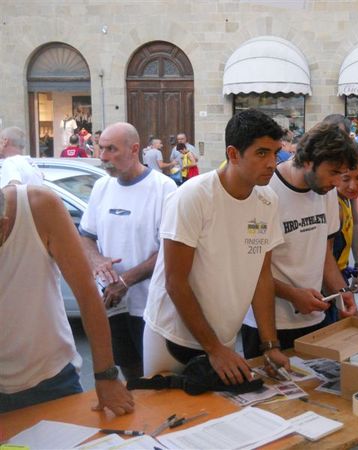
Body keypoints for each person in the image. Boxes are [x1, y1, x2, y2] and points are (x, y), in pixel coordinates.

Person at [143, 109, 289, 383]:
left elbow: (261, 277)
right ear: (233, 154)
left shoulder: (268, 200)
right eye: (262, 153)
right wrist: (214, 349)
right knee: (166, 418)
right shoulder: (192, 196)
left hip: (222, 340)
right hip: (173, 338)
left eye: (276, 152)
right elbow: (175, 282)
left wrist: (270, 345)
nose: (272, 163)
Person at [0, 184, 134, 415]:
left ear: (3, 227)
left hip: (50, 381)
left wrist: (106, 376)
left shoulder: (38, 207)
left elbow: (87, 294)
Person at [241, 122, 358, 358]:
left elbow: (324, 254)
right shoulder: (265, 191)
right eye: (333, 172)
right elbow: (248, 269)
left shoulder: (325, 192)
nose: (338, 182)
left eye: (341, 174)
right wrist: (293, 295)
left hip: (315, 317)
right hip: (266, 326)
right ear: (308, 161)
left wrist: (342, 291)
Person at [80, 122, 177, 381]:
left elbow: (170, 250)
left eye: (111, 149)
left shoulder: (164, 188)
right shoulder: (102, 187)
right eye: (101, 148)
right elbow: (86, 236)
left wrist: (125, 280)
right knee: (128, 371)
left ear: (134, 149)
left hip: (149, 305)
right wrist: (98, 261)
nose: (103, 157)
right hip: (113, 303)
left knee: (156, 377)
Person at [329, 142, 358, 322]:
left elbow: (357, 225)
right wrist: (342, 294)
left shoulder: (347, 198)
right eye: (346, 179)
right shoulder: (331, 204)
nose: (353, 186)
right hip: (330, 284)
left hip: (341, 276)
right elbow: (326, 261)